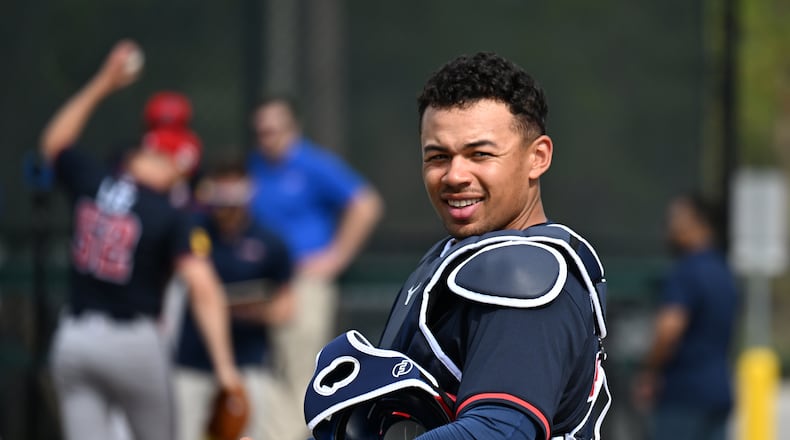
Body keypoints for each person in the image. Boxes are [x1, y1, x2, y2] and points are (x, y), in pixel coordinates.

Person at [303, 52, 611, 440]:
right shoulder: (456, 257)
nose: (455, 175)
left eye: (479, 154)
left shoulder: (523, 274)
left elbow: (498, 432)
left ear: (538, 157)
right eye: (438, 156)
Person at [41, 39, 243, 440]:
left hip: (74, 339)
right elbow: (203, 289)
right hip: (134, 342)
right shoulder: (167, 212)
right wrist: (226, 371)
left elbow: (54, 146)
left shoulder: (94, 179)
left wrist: (103, 81)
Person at [247, 96, 383, 439]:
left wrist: (336, 256)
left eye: (275, 128)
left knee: (301, 368)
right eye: (262, 130)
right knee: (263, 372)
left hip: (302, 281)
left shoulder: (311, 164)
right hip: (261, 285)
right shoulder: (254, 169)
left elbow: (365, 204)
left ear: (293, 128)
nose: (268, 136)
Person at [173, 161, 295, 440]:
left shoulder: (269, 242)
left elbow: (287, 307)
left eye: (234, 198)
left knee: (254, 432)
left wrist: (248, 310)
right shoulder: (191, 232)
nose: (227, 209)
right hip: (193, 360)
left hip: (249, 359)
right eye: (222, 198)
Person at [633, 194, 739, 440]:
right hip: (720, 391)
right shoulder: (724, 271)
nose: (669, 226)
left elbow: (669, 329)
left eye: (676, 219)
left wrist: (649, 370)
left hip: (683, 396)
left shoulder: (686, 272)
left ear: (698, 223)